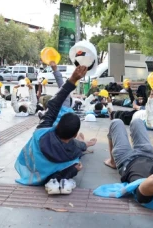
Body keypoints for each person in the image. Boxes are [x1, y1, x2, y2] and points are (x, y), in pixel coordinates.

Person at [15, 65, 97, 195]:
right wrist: (86, 144)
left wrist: (72, 79)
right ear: (74, 134)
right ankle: (59, 179)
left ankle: (52, 181)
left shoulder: (41, 131)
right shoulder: (72, 148)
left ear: (57, 124)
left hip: (35, 169)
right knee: (77, 165)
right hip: (54, 170)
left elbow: (54, 104)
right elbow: (79, 147)